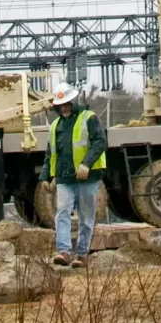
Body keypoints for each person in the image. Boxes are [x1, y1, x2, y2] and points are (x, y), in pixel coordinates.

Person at [46, 82, 107, 269]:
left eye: (67, 104)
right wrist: (46, 177)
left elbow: (100, 142)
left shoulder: (89, 118)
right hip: (65, 177)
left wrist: (86, 164)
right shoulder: (55, 125)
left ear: (73, 101)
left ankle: (82, 254)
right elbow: (51, 153)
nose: (64, 108)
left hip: (87, 177)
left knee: (86, 215)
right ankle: (63, 251)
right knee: (62, 211)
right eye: (60, 106)